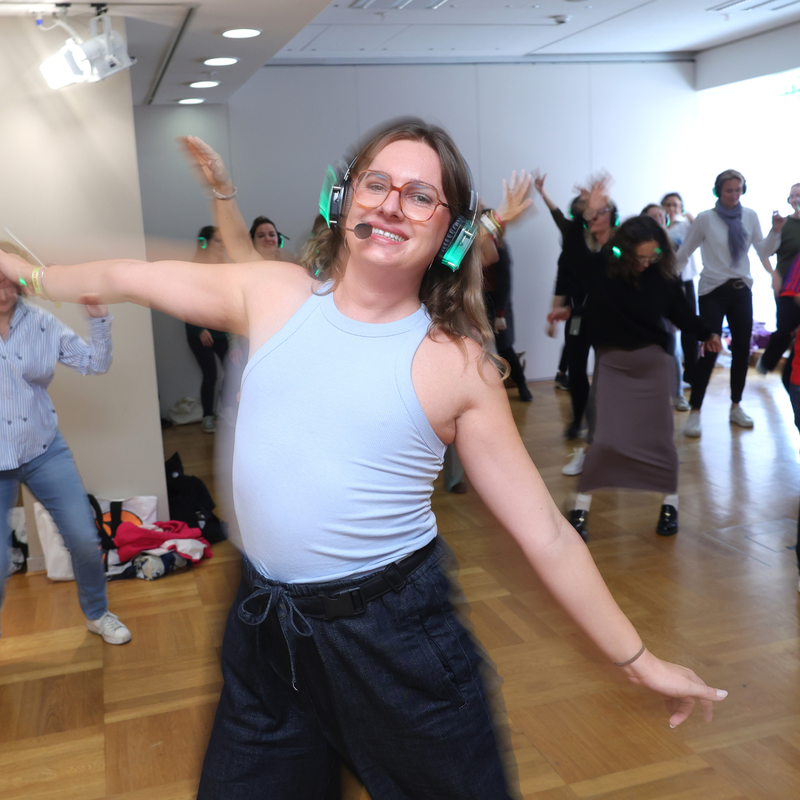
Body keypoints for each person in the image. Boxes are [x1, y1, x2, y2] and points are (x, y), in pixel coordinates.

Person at [0, 119, 727, 798]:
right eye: (376, 184)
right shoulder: (273, 292)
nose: (391, 205)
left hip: (395, 642)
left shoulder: (455, 364)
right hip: (265, 626)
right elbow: (127, 275)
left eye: (421, 195)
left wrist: (637, 658)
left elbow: (545, 532)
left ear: (451, 233)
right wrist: (26, 278)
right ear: (343, 200)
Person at [551, 183, 721, 540]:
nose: (646, 263)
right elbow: (574, 248)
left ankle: (670, 504)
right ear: (624, 251)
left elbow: (682, 314)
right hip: (613, 365)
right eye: (640, 258)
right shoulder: (603, 269)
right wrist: (586, 213)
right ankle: (580, 509)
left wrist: (708, 332)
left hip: (653, 365)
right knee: (603, 439)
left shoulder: (662, 276)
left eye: (652, 257)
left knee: (660, 440)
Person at [0, 243, 130, 645]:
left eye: (9, 281)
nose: (3, 291)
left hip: (43, 450)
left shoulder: (41, 323)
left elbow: (94, 363)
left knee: (85, 541)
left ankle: (97, 614)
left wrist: (99, 320)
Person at [674, 170, 784, 438]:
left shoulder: (750, 216)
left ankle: (736, 406)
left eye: (738, 190)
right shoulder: (705, 219)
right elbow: (684, 253)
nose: (734, 195)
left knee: (742, 351)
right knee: (710, 350)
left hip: (741, 290)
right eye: (728, 191)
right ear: (717, 192)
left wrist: (776, 230)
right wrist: (664, 282)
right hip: (712, 290)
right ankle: (695, 411)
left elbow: (764, 251)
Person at [540, 172, 618, 474]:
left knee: (608, 378)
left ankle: (604, 437)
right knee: (576, 371)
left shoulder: (615, 249)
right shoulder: (573, 252)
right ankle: (580, 422)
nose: (593, 217)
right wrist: (556, 313)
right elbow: (562, 282)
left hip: (606, 322)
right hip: (577, 318)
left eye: (599, 212)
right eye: (587, 213)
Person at [182, 136, 295, 264]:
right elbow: (241, 247)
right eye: (261, 235)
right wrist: (223, 187)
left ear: (279, 240)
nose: (267, 239)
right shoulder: (251, 266)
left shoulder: (292, 263)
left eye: (272, 234)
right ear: (252, 241)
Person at [642, 203, 691, 412]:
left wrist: (677, 315)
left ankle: (677, 395)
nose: (659, 220)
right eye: (654, 216)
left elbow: (678, 282)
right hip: (644, 310)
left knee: (673, 353)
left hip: (666, 310)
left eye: (661, 216)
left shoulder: (671, 247)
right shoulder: (637, 246)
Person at [187, 226, 230, 433]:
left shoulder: (225, 268)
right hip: (199, 332)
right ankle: (207, 417)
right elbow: (186, 303)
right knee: (210, 374)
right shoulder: (195, 268)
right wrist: (200, 329)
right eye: (218, 241)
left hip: (221, 331)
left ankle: (227, 410)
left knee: (233, 369)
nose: (222, 245)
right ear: (205, 243)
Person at [756, 183, 800, 374]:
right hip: (787, 288)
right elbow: (764, 253)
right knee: (785, 330)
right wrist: (773, 274)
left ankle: (790, 375)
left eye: (799, 195)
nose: (796, 199)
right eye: (793, 196)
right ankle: (767, 363)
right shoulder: (784, 225)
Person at [661, 192, 700, 391]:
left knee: (689, 327)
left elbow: (699, 232)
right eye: (668, 204)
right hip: (665, 281)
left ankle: (692, 374)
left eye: (675, 205)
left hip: (685, 280)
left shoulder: (685, 225)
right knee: (666, 329)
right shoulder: (659, 228)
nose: (672, 208)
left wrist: (688, 216)